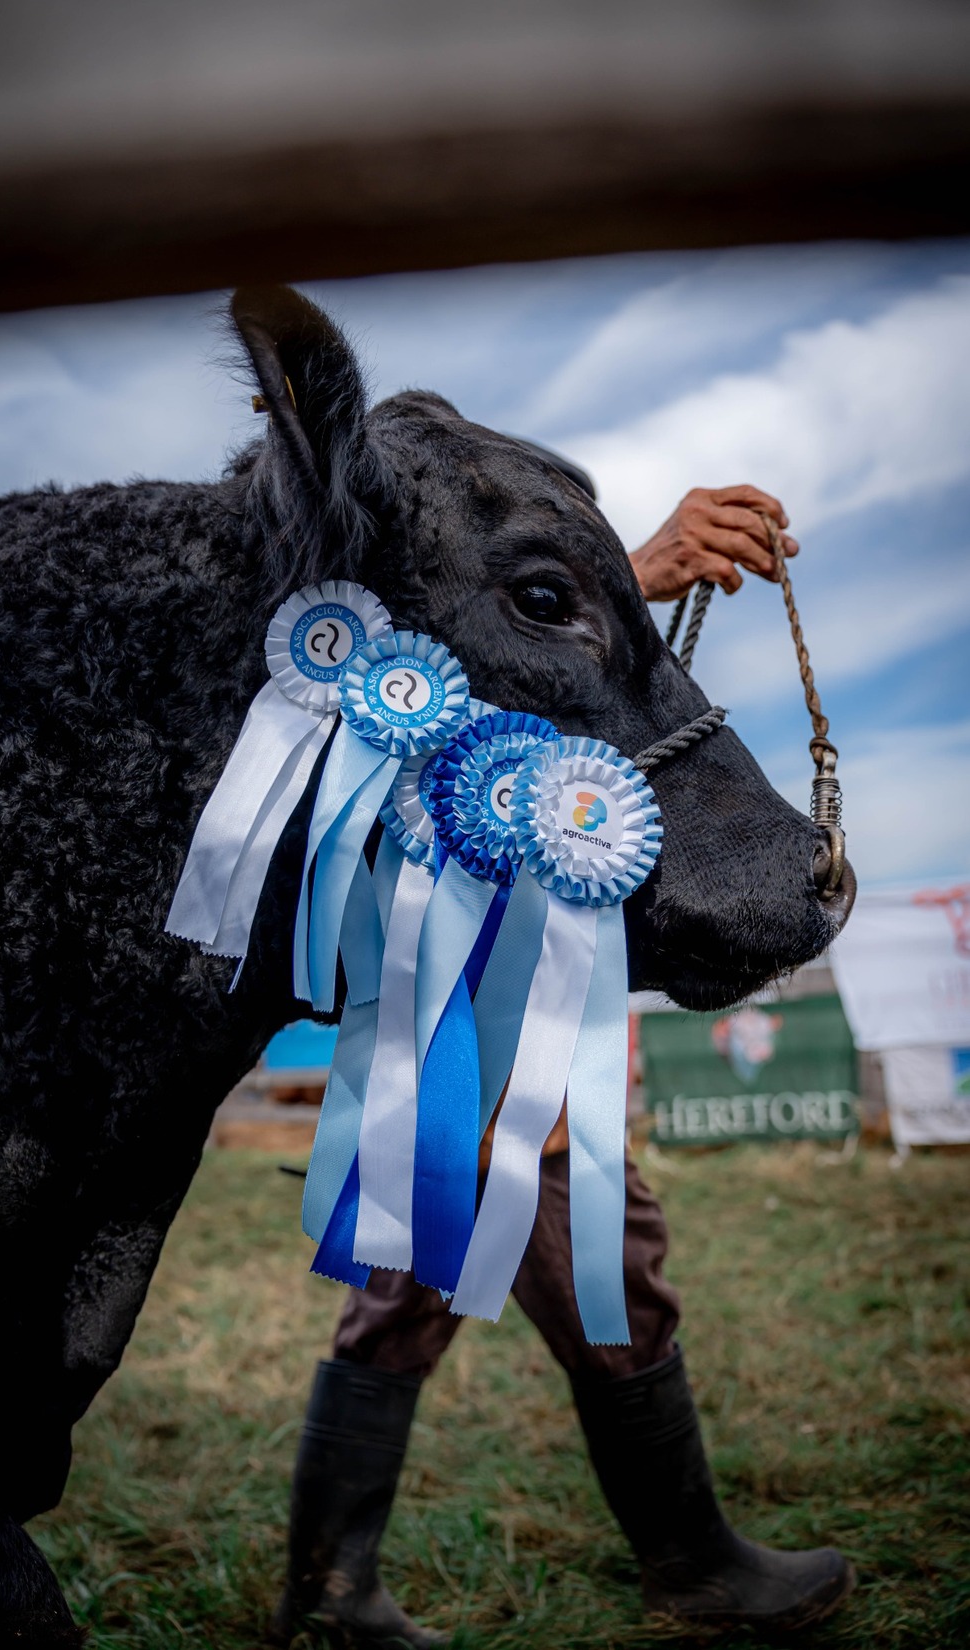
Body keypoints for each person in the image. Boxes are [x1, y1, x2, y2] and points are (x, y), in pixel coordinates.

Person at [272, 480, 854, 1649]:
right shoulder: (386, 644)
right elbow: (454, 643)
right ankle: (690, 1565)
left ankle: (333, 1596)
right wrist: (628, 572)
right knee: (600, 1270)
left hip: (482, 1023)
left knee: (425, 1293)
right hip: (470, 1026)